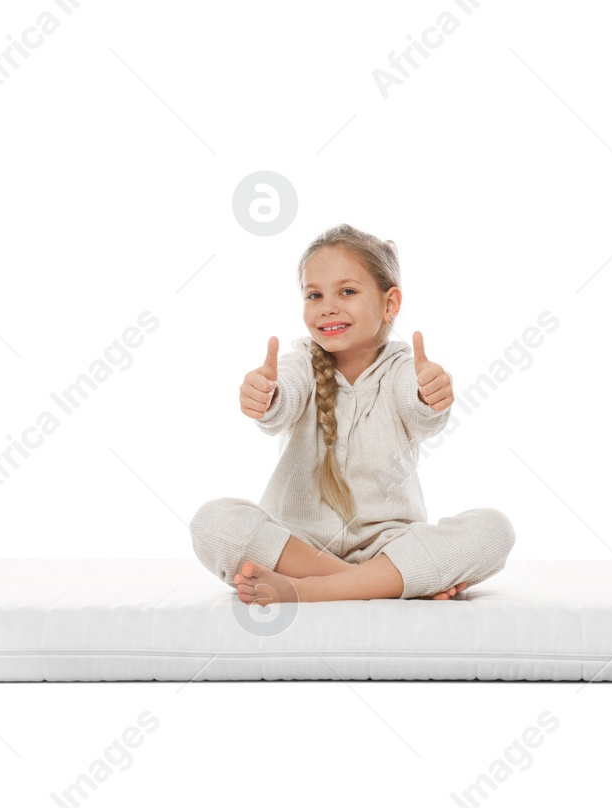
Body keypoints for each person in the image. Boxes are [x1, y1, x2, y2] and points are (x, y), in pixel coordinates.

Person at [190, 223, 515, 604]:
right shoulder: (300, 363)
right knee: (212, 523)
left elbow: (420, 408)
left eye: (347, 291)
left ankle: (311, 590)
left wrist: (430, 394)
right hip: (296, 545)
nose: (328, 306)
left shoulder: (401, 370)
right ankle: (379, 585)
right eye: (314, 294)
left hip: (389, 547)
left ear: (390, 303)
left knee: (494, 530)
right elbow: (283, 400)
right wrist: (266, 396)